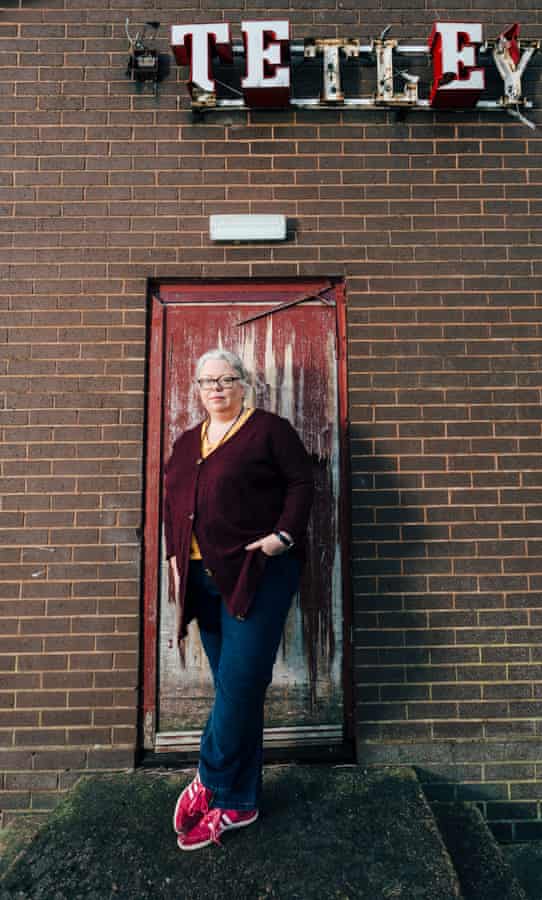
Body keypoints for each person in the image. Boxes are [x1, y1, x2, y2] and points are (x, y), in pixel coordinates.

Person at [164, 348, 314, 851]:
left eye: (226, 379)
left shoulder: (269, 431)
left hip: (257, 572)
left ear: (244, 383)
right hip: (203, 581)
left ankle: (209, 775)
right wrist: (173, 556)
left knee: (241, 681)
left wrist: (283, 537)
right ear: (198, 389)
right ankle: (239, 802)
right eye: (207, 382)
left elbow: (301, 481)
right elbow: (172, 501)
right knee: (239, 690)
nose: (216, 389)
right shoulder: (187, 443)